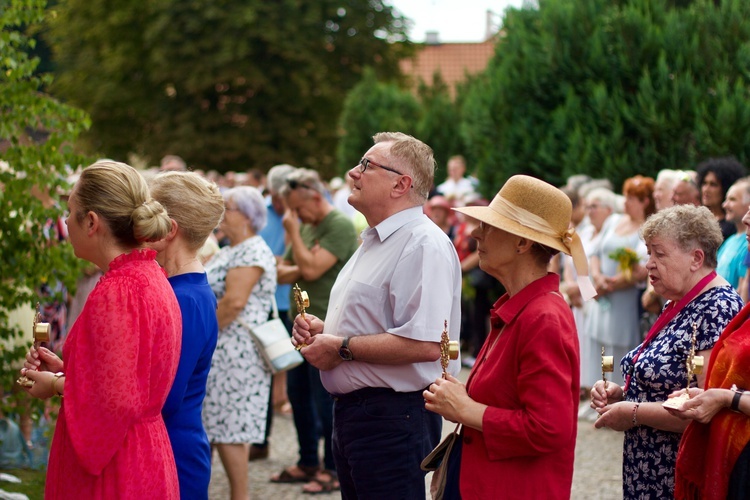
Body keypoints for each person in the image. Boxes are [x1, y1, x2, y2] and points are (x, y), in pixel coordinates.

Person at [291, 132, 462, 499]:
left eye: (367, 165)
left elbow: (427, 343)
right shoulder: (377, 239)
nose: (354, 172)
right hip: (361, 413)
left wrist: (340, 347)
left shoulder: (422, 243)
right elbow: (383, 323)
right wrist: (326, 331)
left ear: (401, 184)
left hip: (391, 415)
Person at [423, 175, 595, 499]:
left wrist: (466, 410)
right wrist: (465, 398)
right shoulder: (524, 306)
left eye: (488, 226)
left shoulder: (543, 316)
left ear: (522, 243)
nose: (475, 232)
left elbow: (548, 428)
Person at [21, 160, 181, 498]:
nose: (65, 221)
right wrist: (71, 371)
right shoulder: (148, 274)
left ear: (91, 222)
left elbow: (115, 403)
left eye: (70, 211)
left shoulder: (118, 292)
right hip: (144, 450)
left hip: (116, 464)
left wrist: (55, 384)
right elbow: (127, 377)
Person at [590, 204, 742, 499]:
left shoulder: (717, 308)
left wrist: (633, 412)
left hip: (677, 475)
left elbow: (703, 406)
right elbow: (671, 383)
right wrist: (623, 394)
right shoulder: (679, 300)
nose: (648, 264)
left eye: (659, 254)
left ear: (696, 258)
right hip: (651, 469)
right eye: (648, 253)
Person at [271, 168, 358, 495]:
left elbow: (307, 268)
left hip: (326, 325)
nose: (296, 216)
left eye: (299, 208)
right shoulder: (307, 226)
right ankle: (308, 460)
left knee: (324, 401)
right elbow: (282, 271)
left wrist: (294, 235)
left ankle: (332, 469)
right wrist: (303, 256)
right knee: (299, 396)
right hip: (301, 327)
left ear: (314, 195)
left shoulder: (337, 225)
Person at [149, 171, 224, 499]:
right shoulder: (183, 289)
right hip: (168, 442)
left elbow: (164, 395)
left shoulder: (185, 299)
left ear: (170, 230)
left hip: (173, 450)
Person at [203, 186, 276, 500]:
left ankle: (240, 496)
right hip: (225, 351)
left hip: (235, 353)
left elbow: (233, 303)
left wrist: (199, 338)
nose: (222, 214)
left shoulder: (252, 251)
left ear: (248, 215)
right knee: (217, 426)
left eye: (228, 208)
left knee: (231, 431)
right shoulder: (232, 248)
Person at [586, 175, 654, 386]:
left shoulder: (646, 228)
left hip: (622, 298)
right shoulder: (614, 220)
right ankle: (599, 388)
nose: (625, 202)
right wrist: (598, 278)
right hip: (602, 292)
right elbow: (595, 251)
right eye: (625, 197)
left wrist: (611, 284)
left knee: (617, 347)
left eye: (631, 199)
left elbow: (641, 270)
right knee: (602, 345)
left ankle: (615, 389)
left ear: (644, 202)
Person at [252, 163, 296, 462]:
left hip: (291, 302)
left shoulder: (298, 214)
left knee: (292, 371)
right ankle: (260, 439)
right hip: (265, 302)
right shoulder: (260, 212)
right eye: (277, 198)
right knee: (264, 371)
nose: (281, 204)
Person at [696, 157, 747, 240]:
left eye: (713, 185)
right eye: (704, 183)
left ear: (725, 188)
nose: (706, 189)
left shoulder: (733, 224)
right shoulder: (698, 218)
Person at [716, 178, 750, 290]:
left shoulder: (747, 244)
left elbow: (743, 288)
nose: (725, 205)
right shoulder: (729, 241)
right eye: (726, 199)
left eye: (732, 199)